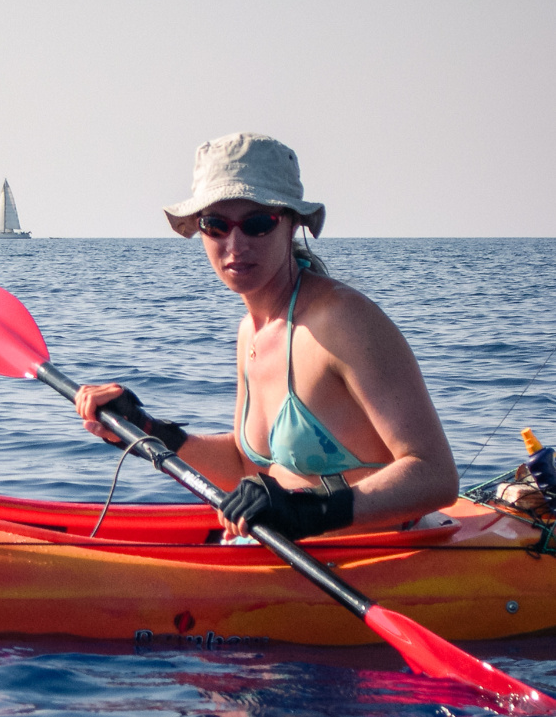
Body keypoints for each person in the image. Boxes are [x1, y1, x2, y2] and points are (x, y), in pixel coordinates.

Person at [75, 132, 458, 540]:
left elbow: (435, 476)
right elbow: (246, 468)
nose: (235, 245)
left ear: (292, 224)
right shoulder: (250, 332)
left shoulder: (343, 321)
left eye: (258, 224)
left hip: (367, 563)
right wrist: (148, 429)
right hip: (279, 557)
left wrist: (311, 511)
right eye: (216, 225)